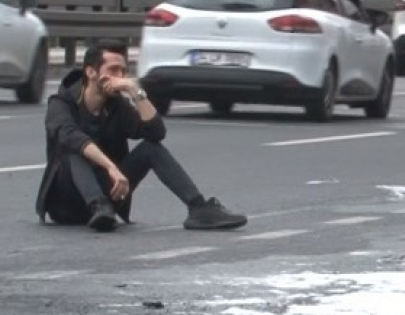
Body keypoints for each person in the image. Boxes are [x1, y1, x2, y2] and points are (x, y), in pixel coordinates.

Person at [34, 41, 248, 232]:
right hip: (67, 203)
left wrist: (136, 91)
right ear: (91, 72)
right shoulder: (61, 103)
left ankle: (199, 208)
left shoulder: (117, 105)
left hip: (111, 196)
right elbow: (71, 136)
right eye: (113, 70)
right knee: (74, 148)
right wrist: (111, 167)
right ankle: (98, 205)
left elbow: (156, 132)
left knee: (151, 149)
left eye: (123, 71)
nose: (120, 77)